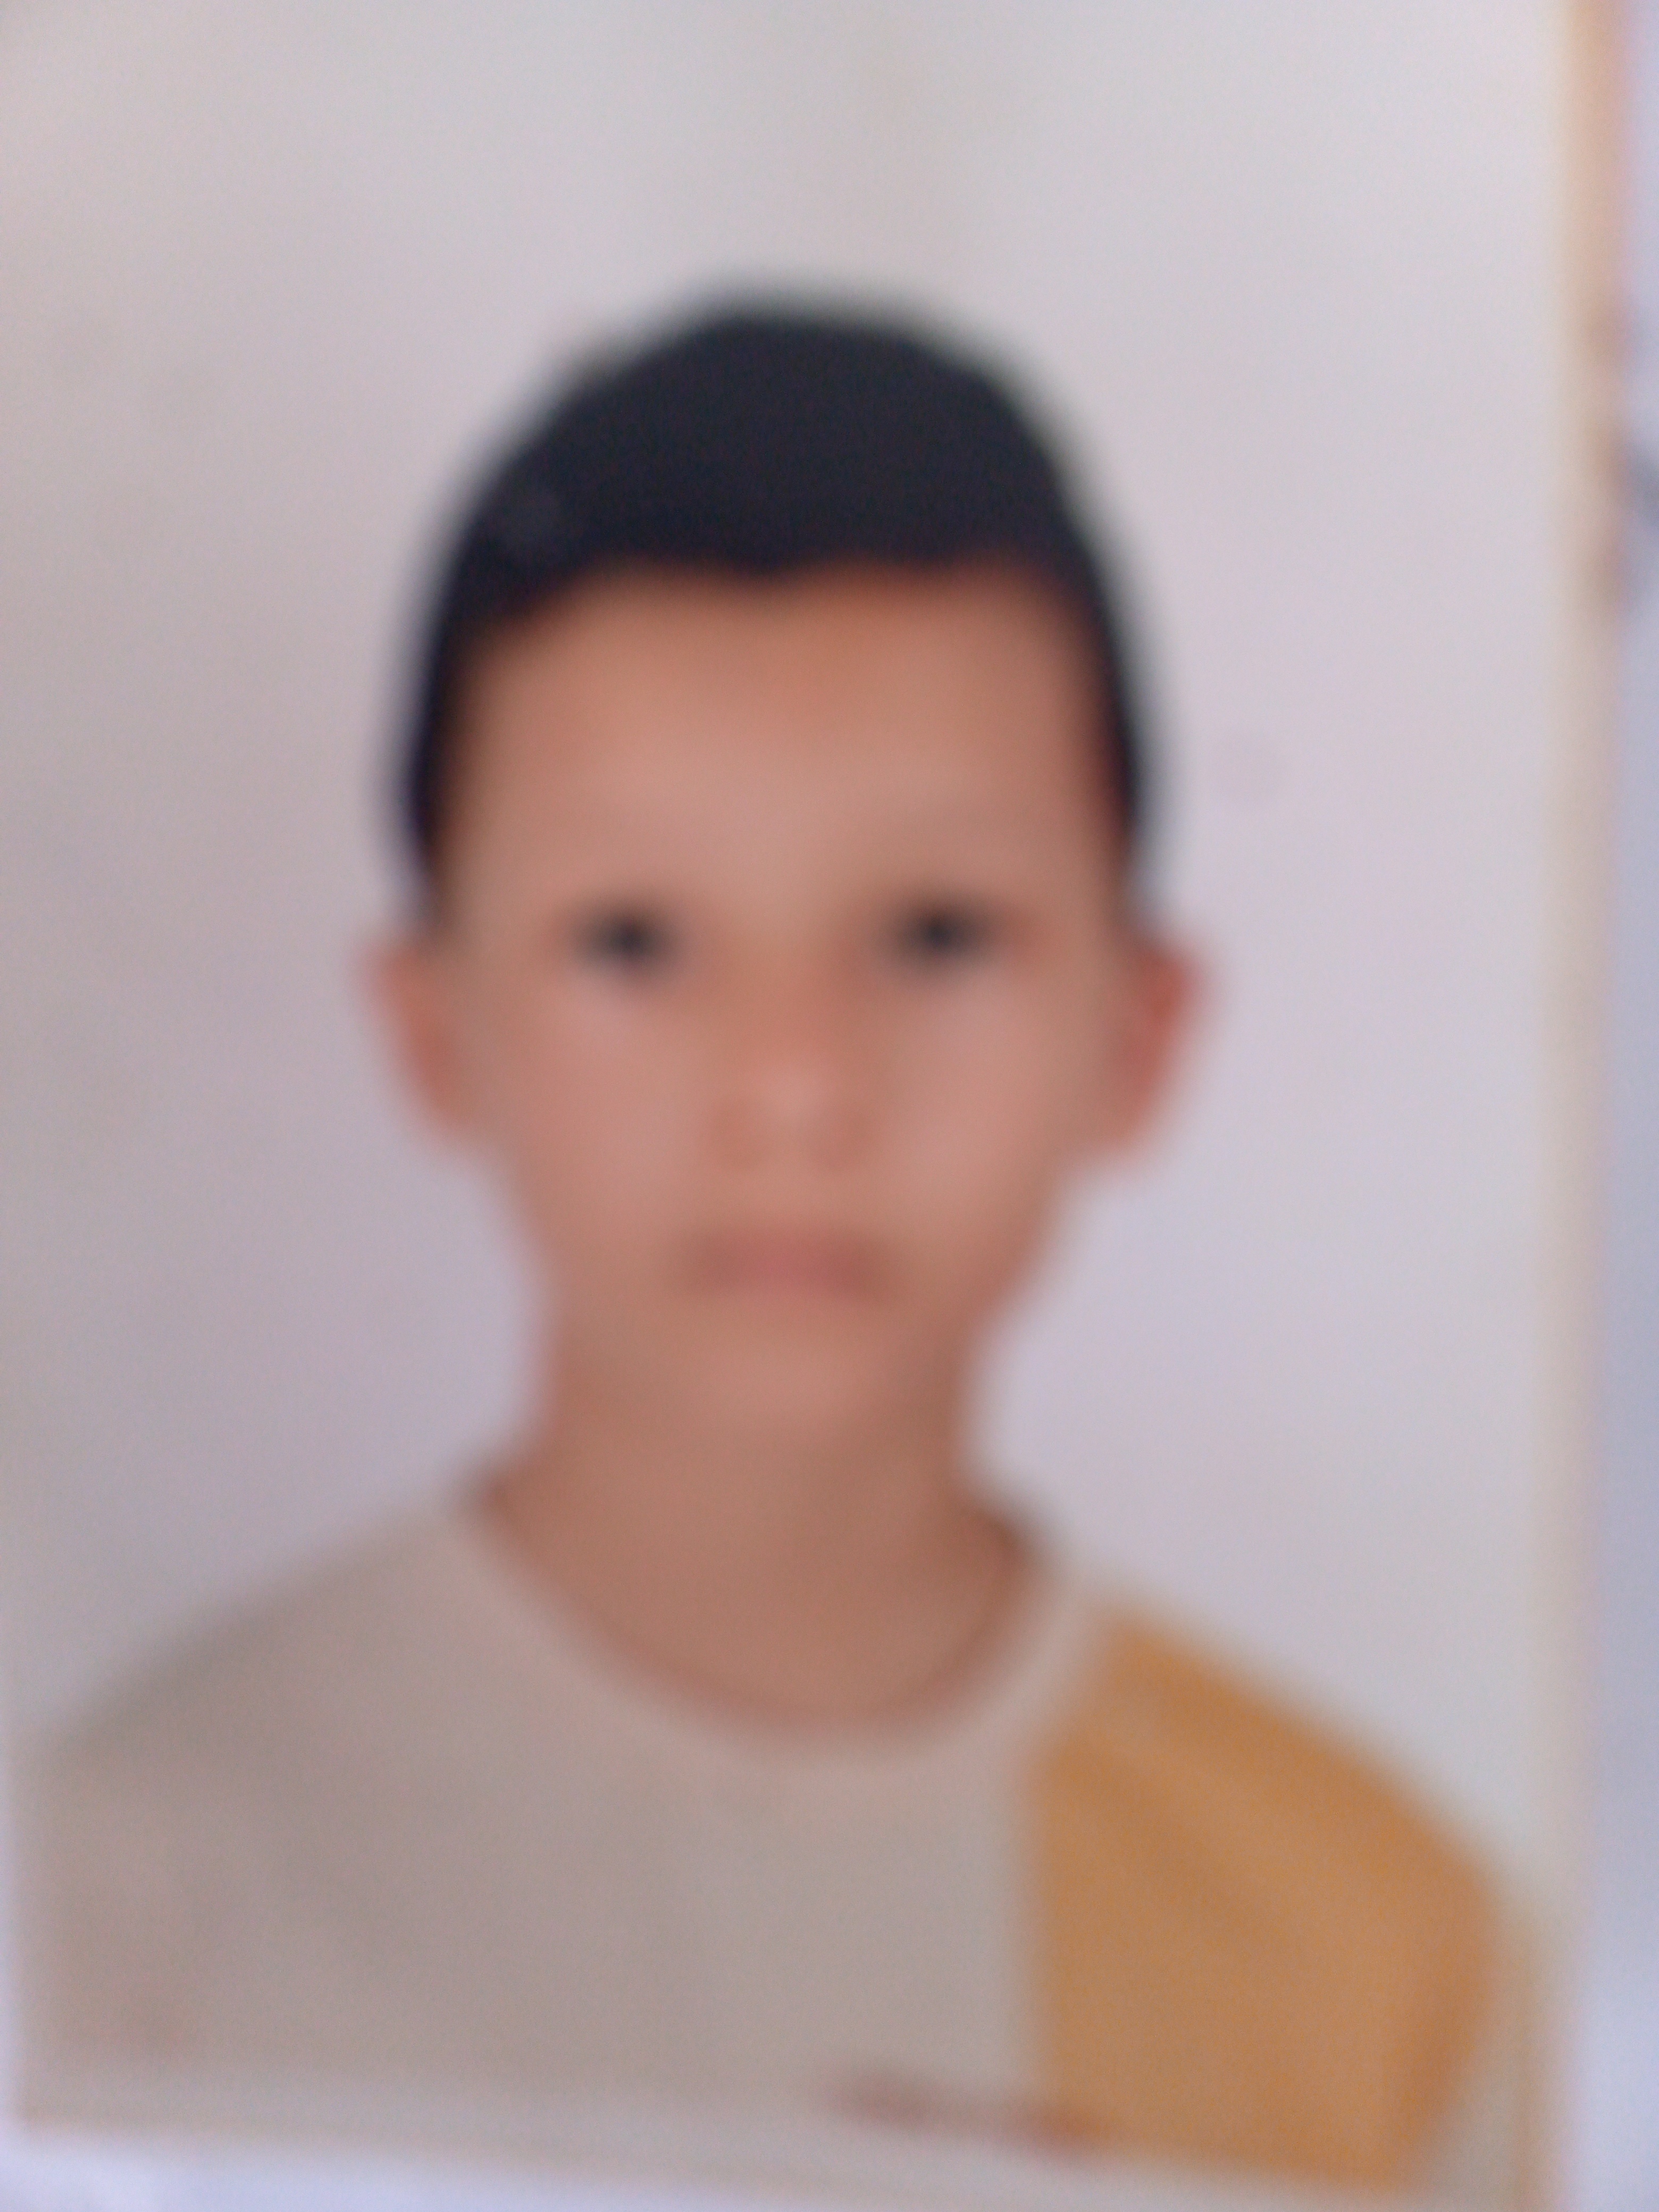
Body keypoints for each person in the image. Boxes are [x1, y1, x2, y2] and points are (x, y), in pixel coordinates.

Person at [17, 305, 1511, 2195]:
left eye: (937, 935)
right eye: (635, 941)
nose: (794, 1088)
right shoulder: (116, 1888)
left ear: (1138, 1035)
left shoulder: (1375, 1939)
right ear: (432, 1028)